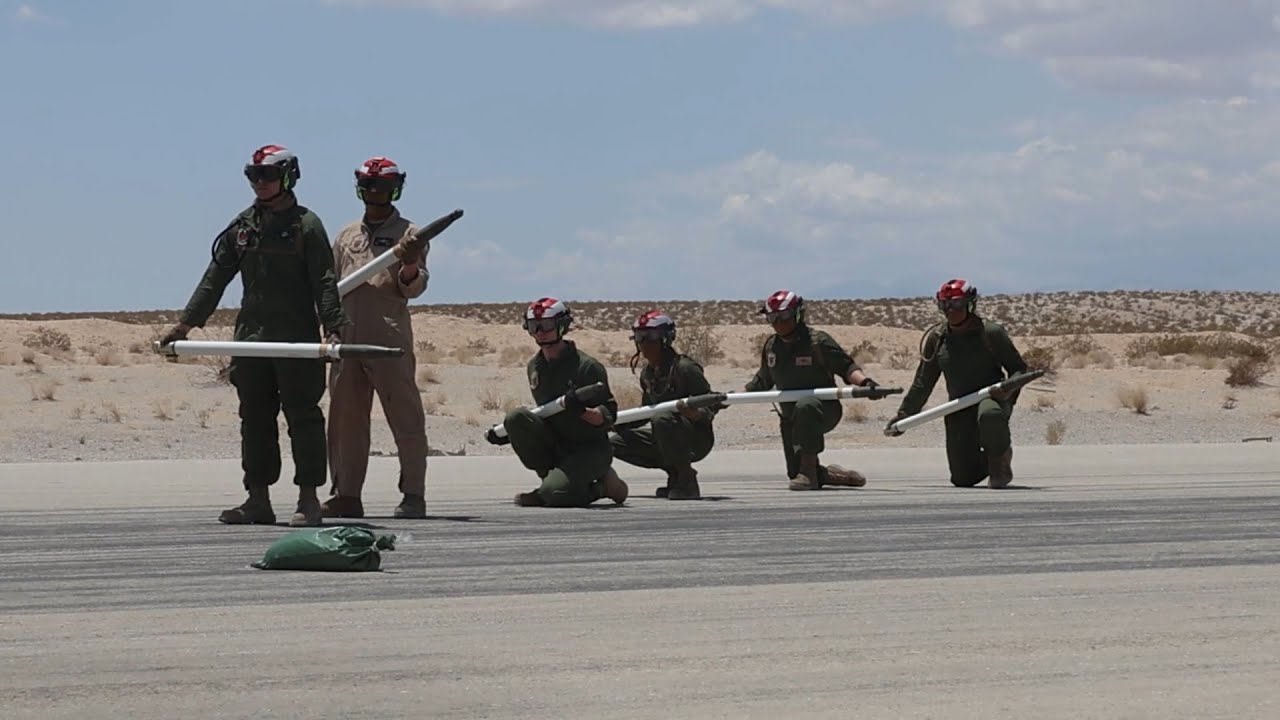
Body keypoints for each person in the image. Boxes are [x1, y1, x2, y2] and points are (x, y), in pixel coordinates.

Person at [160, 144, 347, 526]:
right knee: (255, 418)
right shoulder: (242, 226)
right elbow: (216, 277)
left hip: (297, 338)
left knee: (303, 416)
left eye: (267, 176)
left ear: (288, 176)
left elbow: (324, 280)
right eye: (254, 176)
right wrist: (185, 323)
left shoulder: (307, 225)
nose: (260, 183)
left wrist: (334, 327)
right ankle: (257, 498)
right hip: (251, 338)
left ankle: (309, 498)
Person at [321, 157, 430, 520]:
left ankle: (413, 494)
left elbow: (412, 288)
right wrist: (329, 328)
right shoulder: (346, 234)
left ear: (394, 188)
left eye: (381, 186)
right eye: (368, 185)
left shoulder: (411, 233)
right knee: (345, 421)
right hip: (345, 337)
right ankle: (346, 494)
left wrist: (411, 264)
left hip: (388, 336)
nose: (374, 192)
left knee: (406, 417)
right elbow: (330, 286)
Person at [484, 297, 629, 507]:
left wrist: (580, 410)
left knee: (556, 495)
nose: (541, 331)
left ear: (562, 325)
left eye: (547, 325)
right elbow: (544, 413)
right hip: (557, 443)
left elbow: (606, 418)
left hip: (588, 449)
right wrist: (508, 433)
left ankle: (604, 486)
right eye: (535, 326)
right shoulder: (535, 366)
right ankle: (550, 484)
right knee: (515, 418)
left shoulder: (587, 367)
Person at [885, 279, 1029, 488]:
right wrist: (904, 416)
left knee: (989, 415)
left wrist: (1007, 393)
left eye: (957, 304)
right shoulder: (937, 339)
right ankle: (985, 462)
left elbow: (1018, 368)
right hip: (959, 406)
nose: (951, 311)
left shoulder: (991, 333)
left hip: (991, 400)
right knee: (962, 479)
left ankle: (1000, 459)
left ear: (970, 304)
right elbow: (923, 381)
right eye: (945, 305)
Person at [743, 290, 884, 491]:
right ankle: (833, 475)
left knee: (806, 404)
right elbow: (762, 380)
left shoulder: (818, 342)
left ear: (798, 315)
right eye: (772, 317)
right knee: (794, 473)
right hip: (791, 418)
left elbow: (847, 367)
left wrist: (866, 383)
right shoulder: (771, 347)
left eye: (783, 316)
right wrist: (726, 399)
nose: (777, 323)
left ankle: (809, 471)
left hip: (822, 411)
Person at [609, 310, 717, 500]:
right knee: (616, 443)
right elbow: (646, 412)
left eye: (650, 337)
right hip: (664, 433)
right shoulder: (648, 374)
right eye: (639, 337)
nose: (644, 343)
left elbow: (711, 403)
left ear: (665, 339)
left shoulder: (685, 368)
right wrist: (615, 423)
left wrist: (696, 414)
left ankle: (686, 478)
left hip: (696, 438)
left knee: (662, 418)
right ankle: (674, 474)